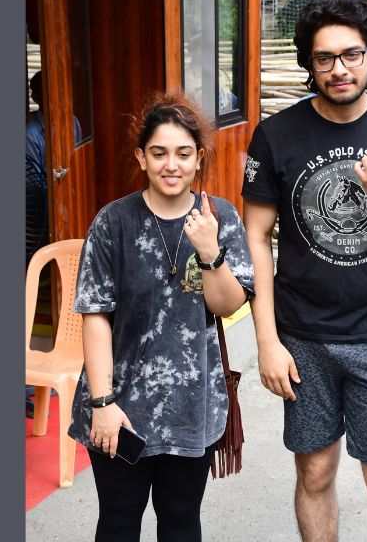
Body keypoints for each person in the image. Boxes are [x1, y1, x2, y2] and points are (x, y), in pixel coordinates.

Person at [242, 0, 367, 542]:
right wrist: (267, 342)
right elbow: (255, 237)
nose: (339, 69)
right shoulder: (276, 135)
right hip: (303, 337)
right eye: (324, 57)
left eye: (351, 54)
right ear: (309, 64)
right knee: (314, 473)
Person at [68, 90, 254, 542]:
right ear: (142, 157)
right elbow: (95, 316)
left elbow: (228, 305)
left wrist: (210, 252)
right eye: (159, 153)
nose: (171, 165)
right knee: (118, 520)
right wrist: (102, 404)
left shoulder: (221, 217)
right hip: (120, 406)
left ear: (198, 158)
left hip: (193, 406)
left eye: (183, 154)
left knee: (180, 520)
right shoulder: (113, 222)